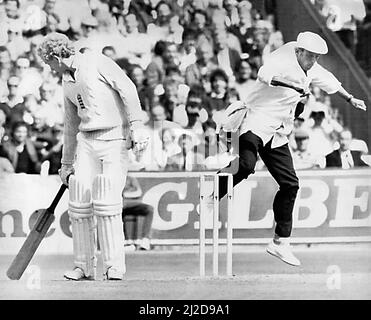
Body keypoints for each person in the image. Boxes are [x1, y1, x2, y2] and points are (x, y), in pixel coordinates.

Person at [214, 31, 367, 266]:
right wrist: (294, 86)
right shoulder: (281, 59)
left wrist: (350, 99)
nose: (313, 61)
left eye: (317, 57)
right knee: (245, 165)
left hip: (279, 131)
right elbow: (264, 75)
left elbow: (331, 82)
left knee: (290, 184)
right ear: (299, 51)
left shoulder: (312, 67)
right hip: (255, 119)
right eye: (310, 56)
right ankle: (211, 194)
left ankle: (280, 242)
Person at [37, 32, 149, 281]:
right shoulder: (66, 80)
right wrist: (66, 163)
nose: (49, 68)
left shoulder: (96, 61)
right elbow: (70, 123)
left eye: (48, 62)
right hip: (86, 141)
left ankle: (114, 266)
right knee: (79, 204)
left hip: (114, 138)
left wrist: (137, 124)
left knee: (108, 202)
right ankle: (83, 266)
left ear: (55, 55)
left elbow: (127, 88)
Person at [122, 175, 154, 251]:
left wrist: (124, 194)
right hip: (119, 205)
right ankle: (125, 242)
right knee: (116, 211)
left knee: (149, 209)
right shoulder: (114, 177)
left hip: (132, 203)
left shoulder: (130, 178)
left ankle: (145, 240)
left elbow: (138, 192)